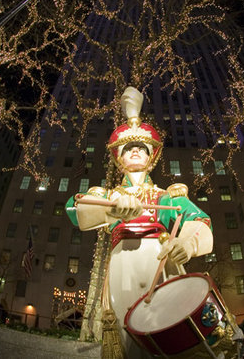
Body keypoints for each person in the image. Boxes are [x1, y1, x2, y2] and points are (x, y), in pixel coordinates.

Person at [66, 87, 216, 358]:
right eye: (128, 148)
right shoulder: (107, 195)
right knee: (128, 333)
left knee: (168, 329)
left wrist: (187, 244)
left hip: (160, 261)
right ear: (119, 158)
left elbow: (199, 220)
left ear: (151, 157)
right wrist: (112, 210)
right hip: (123, 264)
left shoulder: (166, 197)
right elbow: (76, 211)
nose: (135, 150)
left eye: (141, 148)